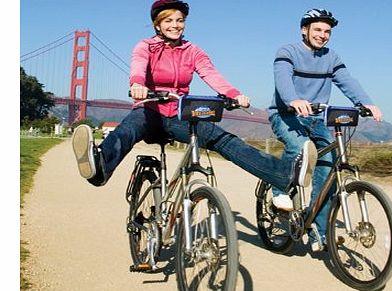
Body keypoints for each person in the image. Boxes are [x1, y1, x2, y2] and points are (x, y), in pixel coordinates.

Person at [71, 0, 317, 195]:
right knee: (127, 130)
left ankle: (285, 174)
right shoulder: (145, 46)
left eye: (180, 20)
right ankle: (99, 167)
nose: (175, 25)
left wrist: (233, 94)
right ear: (158, 25)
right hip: (150, 110)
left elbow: (211, 74)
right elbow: (138, 66)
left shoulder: (193, 50)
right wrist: (137, 85)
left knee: (224, 140)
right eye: (169, 20)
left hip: (180, 113)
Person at [268, 8, 383, 252]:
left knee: (329, 167)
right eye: (318, 29)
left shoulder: (331, 57)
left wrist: (366, 103)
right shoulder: (287, 51)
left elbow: (348, 81)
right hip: (286, 114)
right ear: (304, 29)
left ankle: (318, 231)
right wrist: (293, 100)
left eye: (327, 31)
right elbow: (283, 79)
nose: (323, 35)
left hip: (317, 119)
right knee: (299, 147)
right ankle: (279, 188)